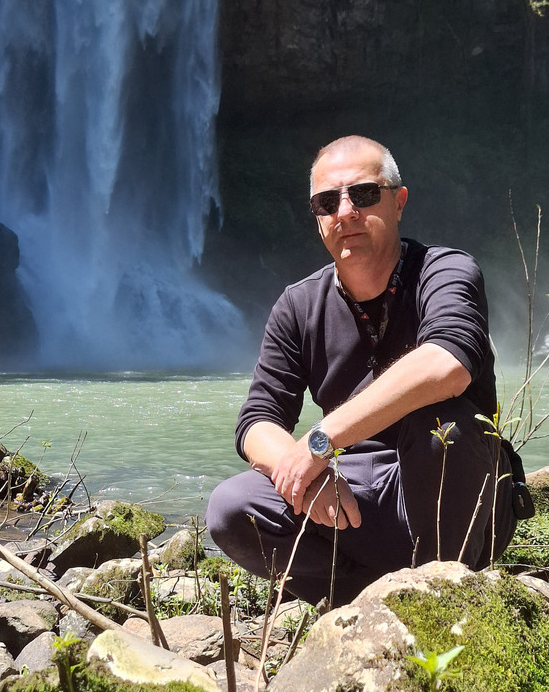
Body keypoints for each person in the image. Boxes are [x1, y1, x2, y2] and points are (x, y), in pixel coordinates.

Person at [205, 135, 529, 608]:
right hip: (351, 500)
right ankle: (357, 614)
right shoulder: (298, 306)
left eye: (362, 194)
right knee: (231, 508)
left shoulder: (444, 271)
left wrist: (321, 440)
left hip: (455, 492)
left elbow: (448, 362)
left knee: (442, 426)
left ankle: (443, 604)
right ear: (317, 219)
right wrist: (302, 474)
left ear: (398, 201)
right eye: (327, 201)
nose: (345, 211)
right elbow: (257, 422)